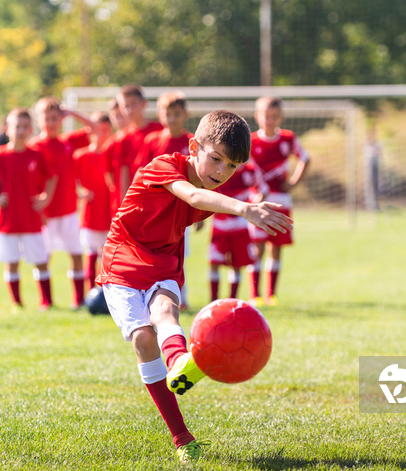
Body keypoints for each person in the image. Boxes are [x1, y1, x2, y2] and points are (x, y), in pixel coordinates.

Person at [95, 110, 293, 463]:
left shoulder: (210, 188)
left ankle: (181, 363)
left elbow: (198, 204)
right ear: (193, 147)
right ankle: (181, 435)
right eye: (215, 159)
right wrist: (246, 210)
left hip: (165, 261)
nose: (221, 172)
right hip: (123, 258)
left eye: (231, 167)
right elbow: (192, 197)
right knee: (143, 337)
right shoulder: (163, 166)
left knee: (165, 310)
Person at [0, 108, 56, 310]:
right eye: (16, 126)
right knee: (11, 262)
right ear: (7, 129)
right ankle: (16, 302)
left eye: (25, 127)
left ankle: (46, 301)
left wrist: (46, 198)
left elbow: (52, 177)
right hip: (7, 220)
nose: (20, 130)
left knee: (41, 260)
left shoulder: (36, 155)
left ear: (30, 130)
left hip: (32, 219)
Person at [29, 96, 96, 310]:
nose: (50, 122)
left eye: (55, 118)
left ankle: (78, 300)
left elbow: (95, 127)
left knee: (76, 255)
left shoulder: (67, 142)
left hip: (68, 211)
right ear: (38, 120)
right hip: (44, 214)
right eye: (46, 118)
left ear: (61, 119)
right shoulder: (33, 146)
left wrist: (73, 112)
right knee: (42, 258)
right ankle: (46, 301)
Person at [134, 91, 197, 310]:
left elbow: (198, 179)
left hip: (181, 211)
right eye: (167, 113)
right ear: (160, 115)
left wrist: (199, 214)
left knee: (178, 256)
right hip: (156, 211)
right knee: (154, 254)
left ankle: (181, 298)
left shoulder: (192, 142)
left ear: (185, 114)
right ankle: (151, 296)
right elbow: (142, 173)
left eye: (176, 114)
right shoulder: (152, 141)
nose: (171, 118)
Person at [248, 96, 310, 307]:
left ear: (280, 117)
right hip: (257, 202)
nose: (269, 120)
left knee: (276, 248)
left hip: (282, 201)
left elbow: (305, 157)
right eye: (265, 115)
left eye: (274, 116)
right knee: (256, 248)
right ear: (257, 116)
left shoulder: (288, 138)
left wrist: (293, 182)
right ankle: (254, 294)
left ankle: (271, 294)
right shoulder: (250, 141)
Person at [208, 159, 268, 301]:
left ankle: (232, 300)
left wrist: (252, 208)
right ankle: (213, 300)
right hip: (219, 224)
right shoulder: (219, 168)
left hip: (239, 225)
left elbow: (263, 190)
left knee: (237, 264)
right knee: (214, 263)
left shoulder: (250, 169)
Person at [103, 84, 163, 216]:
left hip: (159, 201)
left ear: (144, 104)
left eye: (133, 104)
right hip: (136, 203)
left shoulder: (161, 130)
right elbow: (122, 174)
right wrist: (126, 203)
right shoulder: (123, 138)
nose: (129, 110)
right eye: (125, 106)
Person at [73, 112, 113, 293]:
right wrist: (80, 191)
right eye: (97, 130)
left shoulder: (112, 154)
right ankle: (91, 293)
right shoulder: (80, 156)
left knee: (107, 257)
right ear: (89, 131)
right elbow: (72, 181)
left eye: (105, 130)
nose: (100, 134)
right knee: (90, 254)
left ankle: (105, 295)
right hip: (90, 213)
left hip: (109, 212)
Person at [363, 125, 382, 211]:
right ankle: (368, 203)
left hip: (375, 167)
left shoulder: (377, 144)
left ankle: (375, 203)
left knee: (375, 185)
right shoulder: (365, 145)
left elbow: (378, 153)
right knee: (368, 185)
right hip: (367, 168)